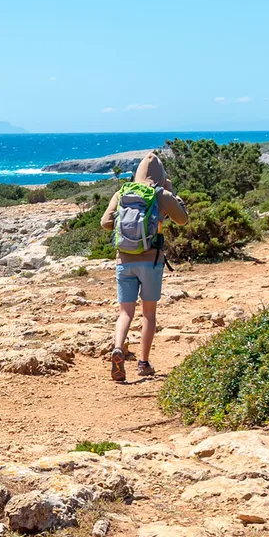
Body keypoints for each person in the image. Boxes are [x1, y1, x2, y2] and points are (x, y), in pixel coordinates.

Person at [100, 152, 188, 382]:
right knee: (148, 313)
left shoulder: (122, 193)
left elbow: (105, 223)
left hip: (123, 261)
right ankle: (143, 362)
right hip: (151, 261)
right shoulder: (162, 194)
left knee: (125, 312)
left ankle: (118, 348)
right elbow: (182, 219)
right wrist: (171, 194)